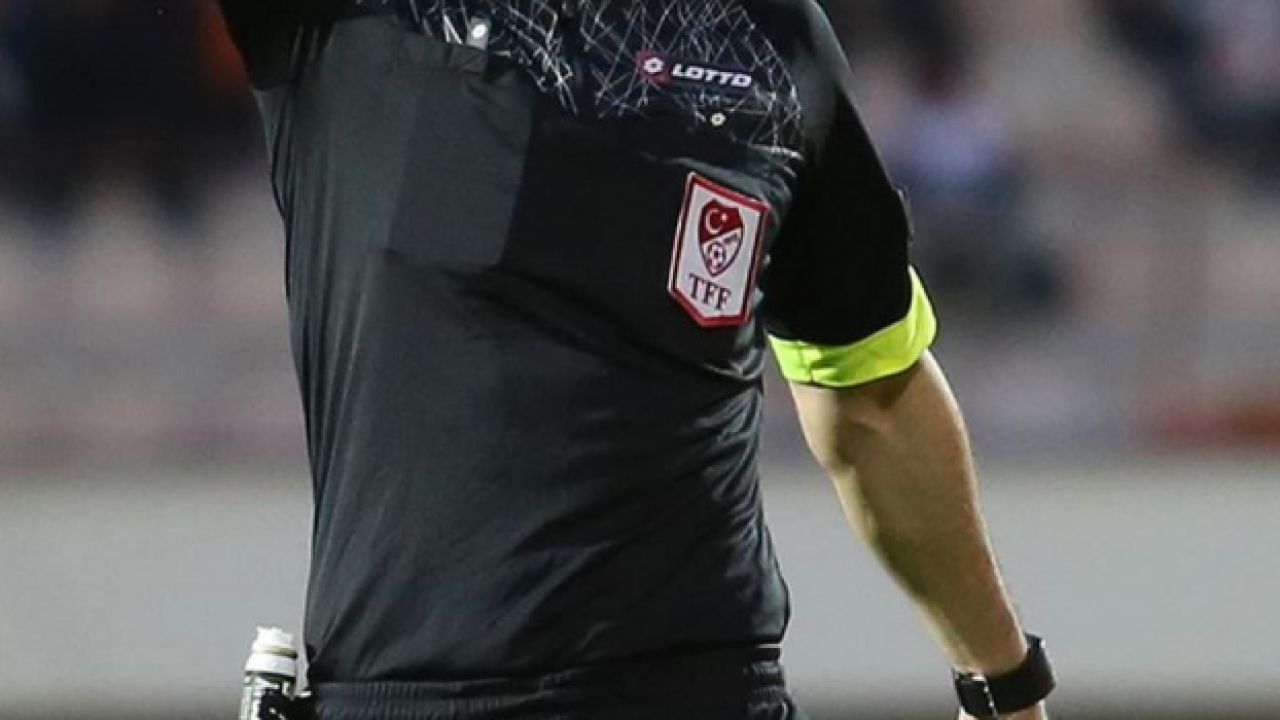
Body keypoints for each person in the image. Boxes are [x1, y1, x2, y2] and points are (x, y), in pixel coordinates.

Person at [217, 0, 1055, 718]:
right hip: (415, 692)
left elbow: (873, 397)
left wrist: (1005, 683)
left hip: (704, 689)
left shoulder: (771, 34)